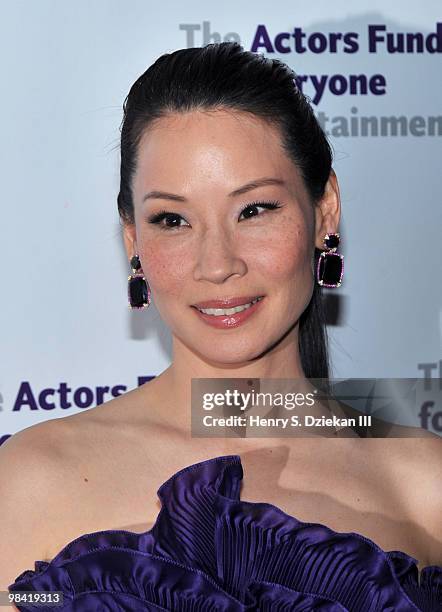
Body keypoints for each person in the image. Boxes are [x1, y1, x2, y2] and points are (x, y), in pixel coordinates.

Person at [1, 42, 441, 611]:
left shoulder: (423, 486)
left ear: (324, 211)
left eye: (254, 209)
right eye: (173, 219)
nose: (217, 264)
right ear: (134, 239)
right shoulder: (28, 482)